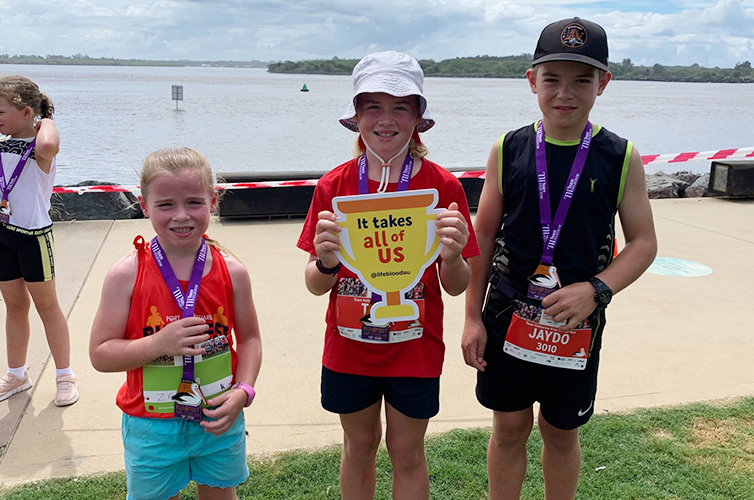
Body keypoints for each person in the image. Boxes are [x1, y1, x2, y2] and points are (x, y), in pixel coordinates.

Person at [461, 18, 658, 499]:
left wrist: (597, 289)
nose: (564, 93)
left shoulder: (620, 155)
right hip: (507, 315)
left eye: (581, 80)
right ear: (532, 81)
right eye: (551, 79)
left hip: (576, 323)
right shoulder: (508, 149)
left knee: (560, 432)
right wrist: (471, 317)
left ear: (603, 84)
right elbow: (482, 236)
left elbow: (643, 243)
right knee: (507, 428)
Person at [297, 51, 480, 500]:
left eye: (401, 106)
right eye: (373, 106)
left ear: (419, 116)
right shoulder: (333, 186)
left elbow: (456, 285)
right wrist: (325, 261)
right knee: (358, 447)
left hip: (415, 347)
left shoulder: (444, 186)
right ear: (356, 116)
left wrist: (454, 256)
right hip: (348, 347)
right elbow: (314, 283)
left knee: (408, 452)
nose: (386, 119)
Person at [89, 148, 262, 500]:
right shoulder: (126, 275)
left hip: (218, 419)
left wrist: (244, 391)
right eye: (166, 204)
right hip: (152, 429)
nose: (181, 216)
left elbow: (250, 340)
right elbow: (101, 354)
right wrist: (158, 344)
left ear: (213, 201)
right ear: (144, 204)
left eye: (194, 202)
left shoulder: (233, 272)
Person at [0, 75, 78, 406]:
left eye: (1, 111)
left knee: (48, 307)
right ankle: (17, 374)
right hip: (3, 235)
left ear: (26, 111)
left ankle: (65, 375)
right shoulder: (3, 145)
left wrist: (44, 116)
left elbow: (48, 144)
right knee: (15, 306)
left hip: (33, 237)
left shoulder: (39, 147)